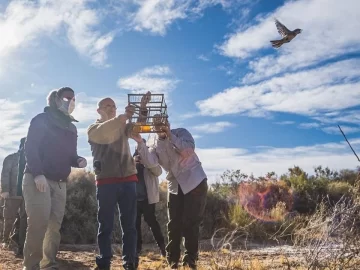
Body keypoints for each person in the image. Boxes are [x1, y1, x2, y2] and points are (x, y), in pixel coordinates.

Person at [22, 87, 87, 270]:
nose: (71, 102)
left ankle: (48, 264)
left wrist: (78, 160)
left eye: (74, 99)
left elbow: (70, 155)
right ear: (56, 99)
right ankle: (31, 266)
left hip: (60, 184)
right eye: (67, 98)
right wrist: (38, 174)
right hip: (38, 178)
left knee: (54, 227)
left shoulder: (72, 127)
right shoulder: (41, 120)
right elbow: (31, 148)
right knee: (38, 223)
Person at [132, 116, 208, 270]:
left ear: (168, 122)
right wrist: (140, 142)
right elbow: (151, 163)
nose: (159, 126)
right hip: (175, 185)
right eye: (156, 123)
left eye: (162, 122)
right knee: (174, 224)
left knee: (190, 223)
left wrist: (169, 136)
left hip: (194, 181)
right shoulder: (153, 143)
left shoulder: (181, 133)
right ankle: (172, 261)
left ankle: (190, 262)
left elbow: (188, 151)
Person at [87, 97, 142, 270]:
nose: (111, 109)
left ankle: (130, 262)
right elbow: (106, 130)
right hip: (106, 182)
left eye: (113, 106)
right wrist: (123, 117)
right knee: (106, 225)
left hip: (128, 180)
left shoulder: (122, 126)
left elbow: (136, 128)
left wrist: (142, 108)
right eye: (107, 106)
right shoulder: (93, 129)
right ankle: (104, 262)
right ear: (98, 110)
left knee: (130, 225)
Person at [133, 139, 166, 257]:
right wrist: (133, 162)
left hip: (148, 199)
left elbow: (158, 172)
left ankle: (163, 248)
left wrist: (146, 162)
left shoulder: (151, 159)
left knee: (152, 222)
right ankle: (137, 250)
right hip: (134, 199)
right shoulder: (131, 159)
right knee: (135, 225)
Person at [9, 137, 27, 257]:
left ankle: (18, 243)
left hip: (25, 191)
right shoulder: (23, 154)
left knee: (23, 217)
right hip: (25, 192)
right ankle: (20, 247)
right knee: (24, 218)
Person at [0, 150, 20, 249]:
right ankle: (6, 240)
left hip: (27, 195)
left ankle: (17, 241)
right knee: (9, 218)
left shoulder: (33, 158)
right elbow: (5, 174)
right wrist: (5, 190)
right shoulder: (11, 158)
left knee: (24, 220)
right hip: (12, 194)